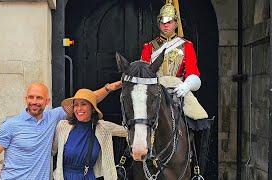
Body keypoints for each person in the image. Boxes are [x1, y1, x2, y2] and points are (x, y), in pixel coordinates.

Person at [0, 81, 122, 180]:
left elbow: (86, 100)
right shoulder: (10, 125)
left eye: (39, 98)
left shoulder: (53, 117)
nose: (34, 101)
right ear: (25, 99)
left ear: (47, 101)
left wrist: (109, 88)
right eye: (31, 97)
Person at [140, 0, 212, 176]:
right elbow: (143, 71)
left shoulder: (186, 45)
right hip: (155, 89)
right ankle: (125, 161)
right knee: (137, 119)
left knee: (199, 120)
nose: (166, 26)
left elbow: (194, 73)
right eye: (163, 22)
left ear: (175, 23)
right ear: (159, 23)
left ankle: (196, 166)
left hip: (179, 88)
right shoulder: (149, 47)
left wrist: (186, 85)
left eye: (169, 22)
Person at [52, 89, 127, 180]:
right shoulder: (63, 126)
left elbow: (130, 132)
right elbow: (52, 151)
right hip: (65, 176)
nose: (79, 109)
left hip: (88, 176)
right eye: (76, 105)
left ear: (92, 108)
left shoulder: (102, 127)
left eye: (83, 104)